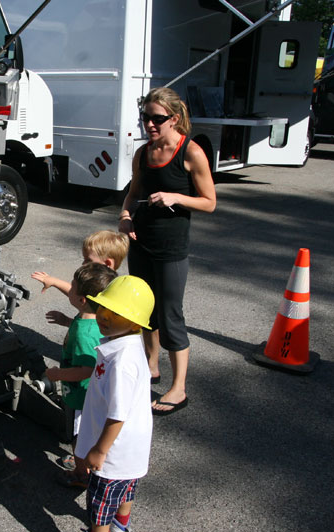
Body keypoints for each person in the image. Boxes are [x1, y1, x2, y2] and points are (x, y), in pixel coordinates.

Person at [117, 87, 216, 416]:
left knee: (171, 316)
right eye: (145, 117)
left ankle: (179, 388)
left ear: (174, 118)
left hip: (171, 247)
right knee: (145, 311)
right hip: (140, 242)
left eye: (157, 119)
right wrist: (125, 217)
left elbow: (209, 202)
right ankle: (151, 365)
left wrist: (177, 198)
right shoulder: (143, 154)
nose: (149, 124)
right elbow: (132, 195)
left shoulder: (191, 152)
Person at [77, 275, 155, 532]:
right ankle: (122, 525)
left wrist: (100, 450)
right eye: (103, 307)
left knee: (99, 510)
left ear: (135, 323)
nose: (105, 316)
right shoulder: (128, 344)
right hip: (130, 450)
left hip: (113, 452)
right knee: (125, 492)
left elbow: (117, 414)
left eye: (116, 313)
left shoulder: (121, 363)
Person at [44, 262, 117, 488]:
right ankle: (84, 463)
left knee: (79, 438)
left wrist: (57, 374)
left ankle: (80, 472)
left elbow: (86, 369)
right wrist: (67, 321)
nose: (70, 288)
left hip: (81, 397)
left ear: (82, 299)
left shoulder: (84, 334)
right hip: (91, 394)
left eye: (73, 286)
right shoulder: (95, 318)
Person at [31, 230, 129, 297]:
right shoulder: (98, 280)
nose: (83, 264)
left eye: (88, 260)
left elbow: (76, 296)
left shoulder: (106, 290)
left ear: (107, 263)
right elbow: (78, 295)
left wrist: (54, 281)